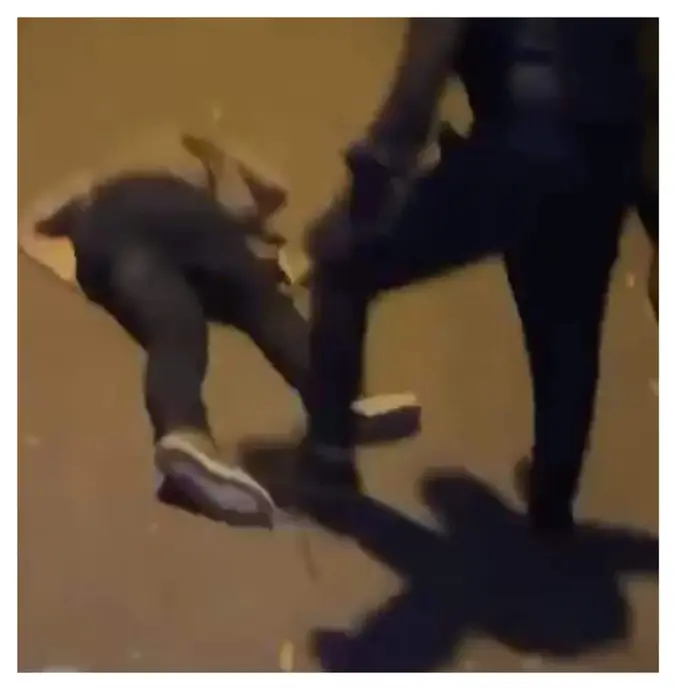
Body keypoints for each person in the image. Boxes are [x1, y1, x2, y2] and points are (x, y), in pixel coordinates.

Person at [299, 19, 646, 536]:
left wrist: (373, 175)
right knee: (569, 326)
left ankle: (327, 459)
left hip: (514, 151)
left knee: (341, 268)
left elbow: (422, 77)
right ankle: (553, 496)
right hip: (604, 159)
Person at [35, 135, 417, 525]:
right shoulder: (192, 154)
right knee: (264, 305)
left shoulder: (102, 181)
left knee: (175, 326)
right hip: (186, 215)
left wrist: (83, 273)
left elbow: (36, 224)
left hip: (109, 237)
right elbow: (272, 189)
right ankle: (335, 403)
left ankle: (184, 434)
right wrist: (221, 160)